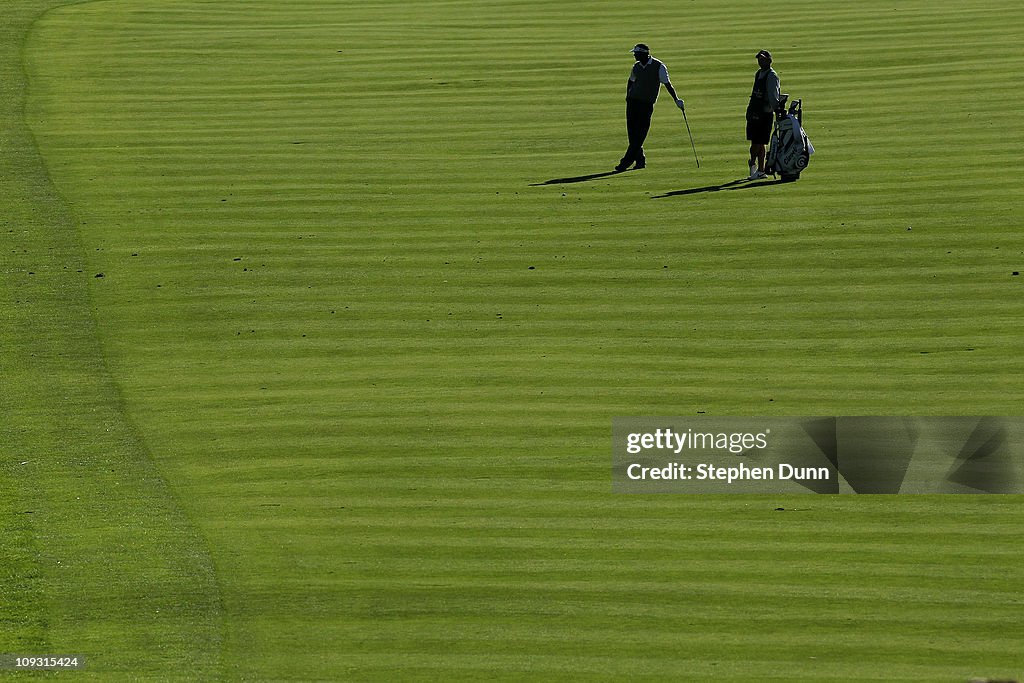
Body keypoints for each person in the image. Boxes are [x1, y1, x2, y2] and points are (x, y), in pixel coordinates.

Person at [615, 44, 685, 172]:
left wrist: (676, 100)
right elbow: (631, 81)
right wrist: (627, 95)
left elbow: (667, 84)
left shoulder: (659, 66)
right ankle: (640, 161)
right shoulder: (636, 67)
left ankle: (624, 163)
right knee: (632, 134)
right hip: (632, 102)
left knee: (640, 134)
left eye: (636, 53)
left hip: (646, 104)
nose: (634, 55)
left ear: (643, 54)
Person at [745, 49, 781, 180]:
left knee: (759, 142)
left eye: (763, 59)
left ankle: (758, 168)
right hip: (755, 111)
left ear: (769, 60)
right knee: (757, 142)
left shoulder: (772, 76)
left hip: (764, 113)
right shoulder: (759, 73)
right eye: (759, 59)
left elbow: (773, 96)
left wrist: (777, 110)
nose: (760, 61)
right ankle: (757, 168)